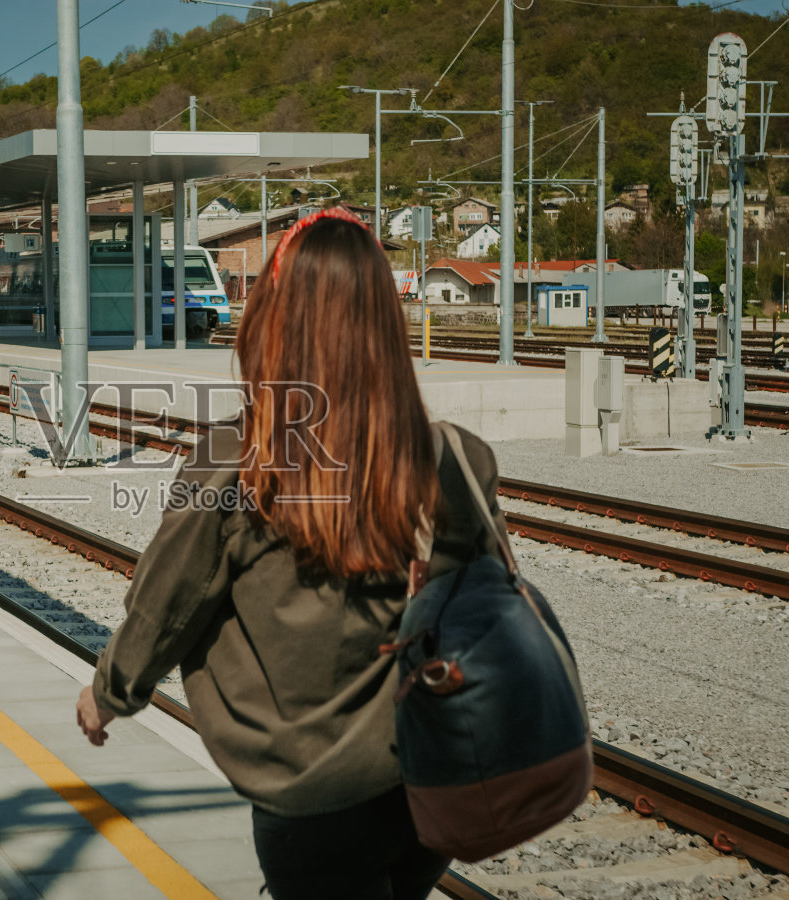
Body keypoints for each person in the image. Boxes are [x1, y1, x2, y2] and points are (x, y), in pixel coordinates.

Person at [75, 208, 507, 899]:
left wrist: (110, 694)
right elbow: (487, 603)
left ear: (275, 321)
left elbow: (168, 602)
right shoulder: (455, 457)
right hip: (435, 774)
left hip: (316, 792)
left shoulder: (237, 462)